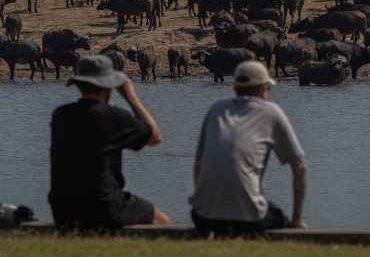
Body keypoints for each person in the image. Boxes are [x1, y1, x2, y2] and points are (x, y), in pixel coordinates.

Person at [49, 55, 171, 230]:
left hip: (62, 208)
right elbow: (155, 138)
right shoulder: (115, 117)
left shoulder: (60, 115)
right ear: (108, 86)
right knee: (162, 221)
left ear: (77, 84)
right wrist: (130, 96)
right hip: (104, 205)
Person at [189, 61, 307, 236]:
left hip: (203, 217)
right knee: (280, 218)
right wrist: (297, 220)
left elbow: (198, 166)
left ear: (235, 88)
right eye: (268, 89)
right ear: (261, 90)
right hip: (249, 217)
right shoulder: (271, 111)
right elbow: (299, 167)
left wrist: (206, 206)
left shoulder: (216, 109)